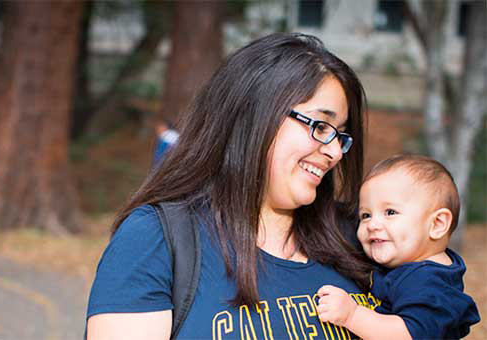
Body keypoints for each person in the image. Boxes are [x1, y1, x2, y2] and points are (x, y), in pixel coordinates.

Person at [86, 32, 373, 339]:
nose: (333, 151)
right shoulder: (153, 239)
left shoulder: (365, 236)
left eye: (340, 135)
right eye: (320, 126)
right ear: (252, 115)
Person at [316, 154, 480, 340]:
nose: (372, 224)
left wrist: (352, 315)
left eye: (390, 212)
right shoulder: (413, 265)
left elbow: (408, 335)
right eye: (366, 215)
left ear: (437, 224)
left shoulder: (428, 283)